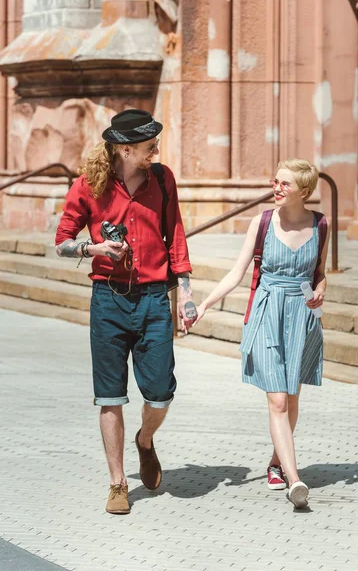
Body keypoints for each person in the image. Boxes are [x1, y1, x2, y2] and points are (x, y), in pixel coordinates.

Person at [55, 109, 197, 514]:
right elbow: (62, 240)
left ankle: (145, 440)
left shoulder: (163, 179)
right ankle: (118, 483)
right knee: (110, 395)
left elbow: (177, 238)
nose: (156, 150)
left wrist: (184, 295)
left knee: (160, 393)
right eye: (149, 145)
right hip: (108, 299)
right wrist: (93, 248)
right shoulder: (89, 185)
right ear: (124, 148)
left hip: (154, 298)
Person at [194, 159, 330, 509]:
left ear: (304, 191)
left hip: (301, 317)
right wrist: (205, 304)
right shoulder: (263, 222)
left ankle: (275, 463)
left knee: (293, 400)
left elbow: (320, 273)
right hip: (268, 313)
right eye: (276, 181)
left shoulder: (321, 224)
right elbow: (237, 272)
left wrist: (321, 290)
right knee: (279, 401)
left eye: (285, 184)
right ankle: (295, 480)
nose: (277, 188)